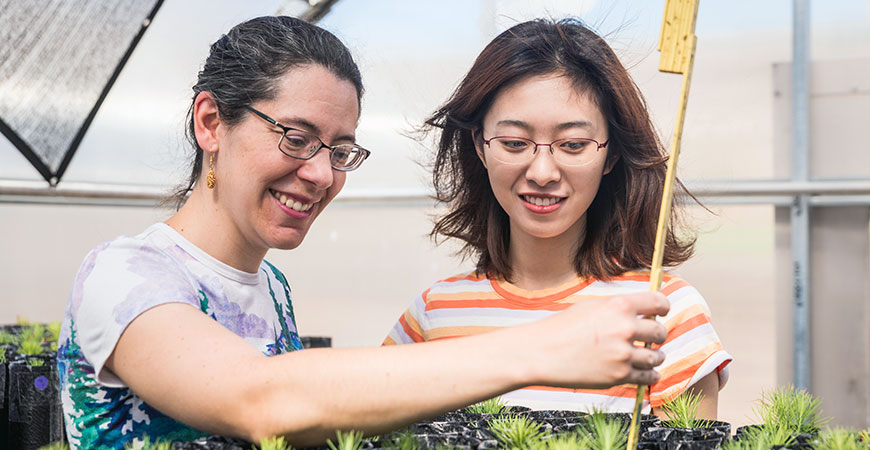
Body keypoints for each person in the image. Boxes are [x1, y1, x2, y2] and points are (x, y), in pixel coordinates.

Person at [58, 16, 672, 450]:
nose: (320, 173)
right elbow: (262, 402)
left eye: (341, 150)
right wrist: (542, 348)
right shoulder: (126, 275)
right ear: (212, 121)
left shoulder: (269, 287)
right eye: (295, 138)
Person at [384, 18, 732, 418]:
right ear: (479, 146)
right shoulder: (434, 312)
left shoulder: (662, 312)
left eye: (573, 144)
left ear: (611, 154)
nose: (543, 173)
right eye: (515, 143)